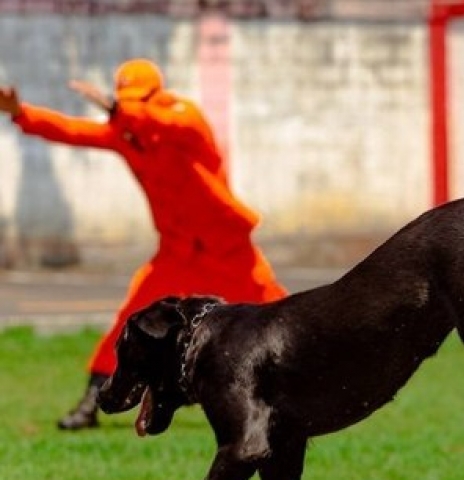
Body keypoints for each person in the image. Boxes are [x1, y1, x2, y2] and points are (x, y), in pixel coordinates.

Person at [0, 59, 288, 430]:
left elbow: (169, 123)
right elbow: (75, 131)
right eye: (128, 101)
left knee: (278, 314)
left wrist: (121, 111)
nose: (135, 108)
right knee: (131, 321)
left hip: (226, 248)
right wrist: (22, 113)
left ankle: (318, 378)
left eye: (141, 101)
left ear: (157, 95)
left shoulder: (184, 117)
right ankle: (93, 401)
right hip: (177, 251)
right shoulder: (127, 134)